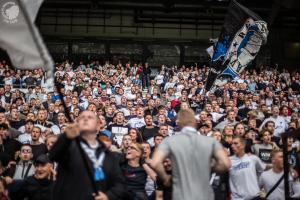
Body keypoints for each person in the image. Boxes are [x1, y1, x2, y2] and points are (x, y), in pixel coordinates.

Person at [151, 109, 231, 200]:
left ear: (179, 123)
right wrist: (210, 168)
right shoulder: (210, 141)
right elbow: (226, 163)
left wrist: (166, 178)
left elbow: (155, 162)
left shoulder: (170, 141)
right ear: (194, 122)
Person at [49, 110, 128, 200]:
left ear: (98, 126)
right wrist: (66, 136)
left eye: (90, 117)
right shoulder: (68, 147)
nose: (86, 118)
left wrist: (108, 196)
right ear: (77, 124)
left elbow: (120, 185)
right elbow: (53, 155)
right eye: (82, 117)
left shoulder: (109, 156)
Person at [229, 135, 267, 200]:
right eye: (231, 144)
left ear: (243, 145)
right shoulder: (228, 160)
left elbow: (264, 168)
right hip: (237, 198)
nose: (232, 146)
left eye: (235, 143)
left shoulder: (253, 158)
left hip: (255, 197)